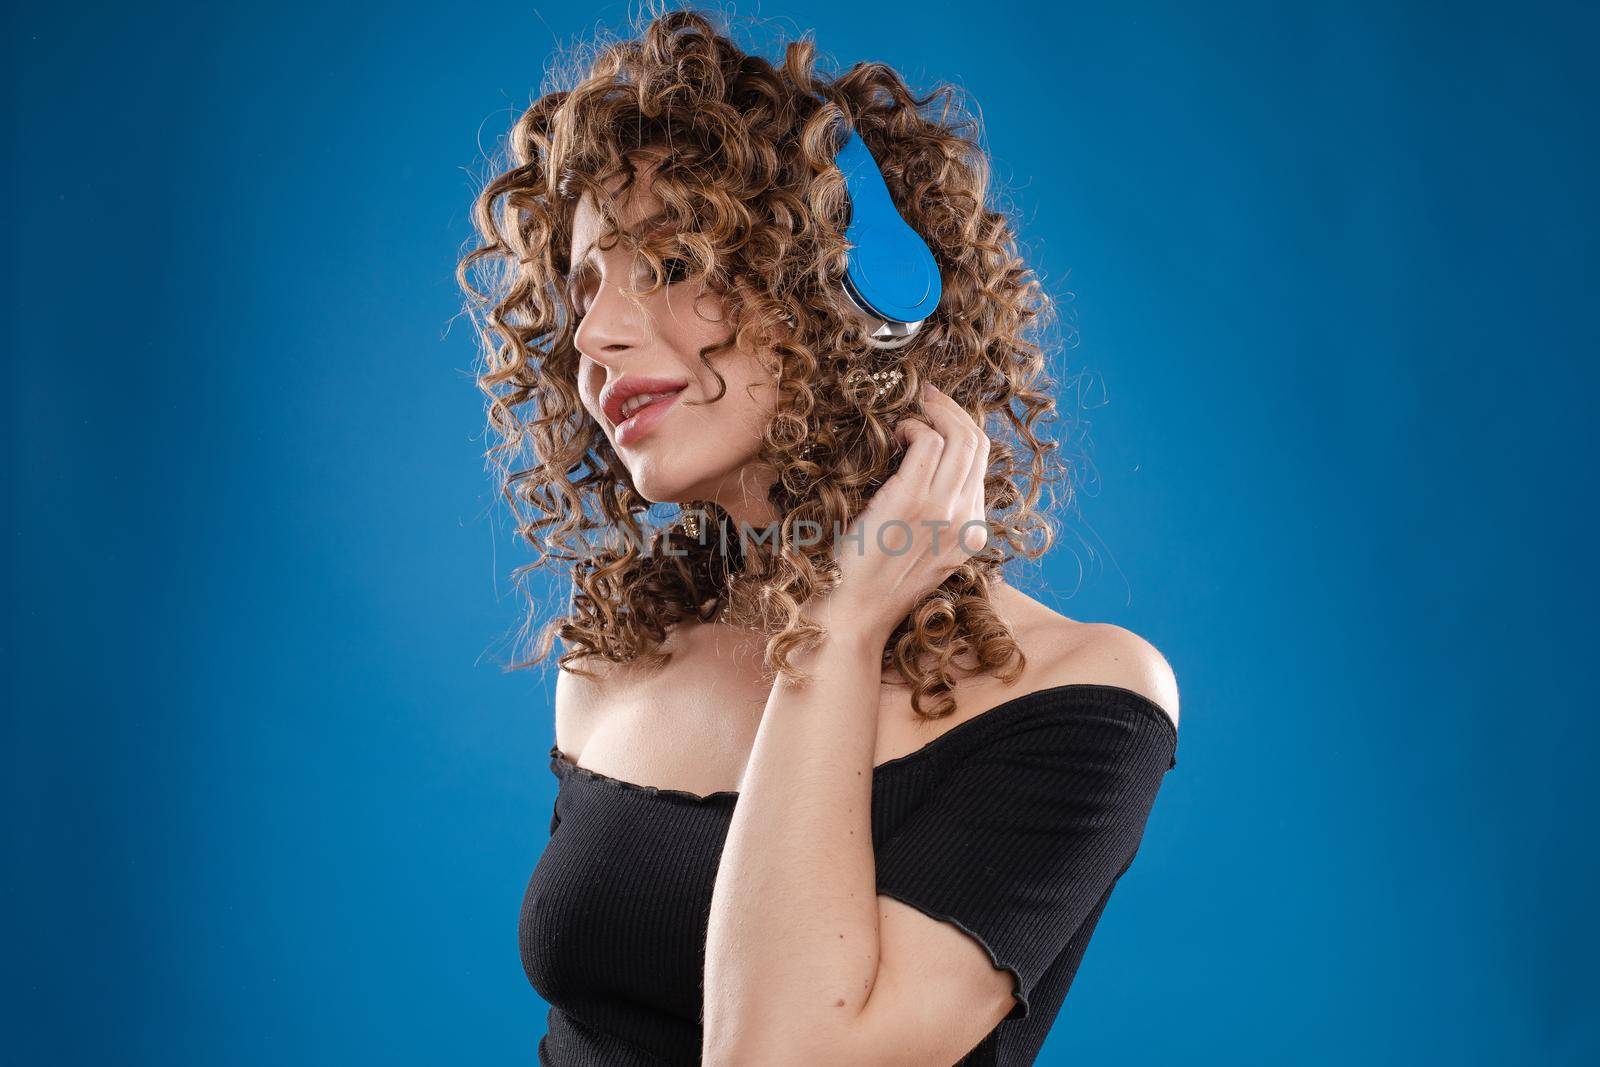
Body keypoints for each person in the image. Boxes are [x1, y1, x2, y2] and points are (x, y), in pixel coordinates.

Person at [457, 9, 1181, 1065]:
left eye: (664, 262)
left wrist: (837, 628)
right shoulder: (617, 657)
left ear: (851, 289)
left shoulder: (1079, 700)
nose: (599, 336)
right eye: (582, 292)